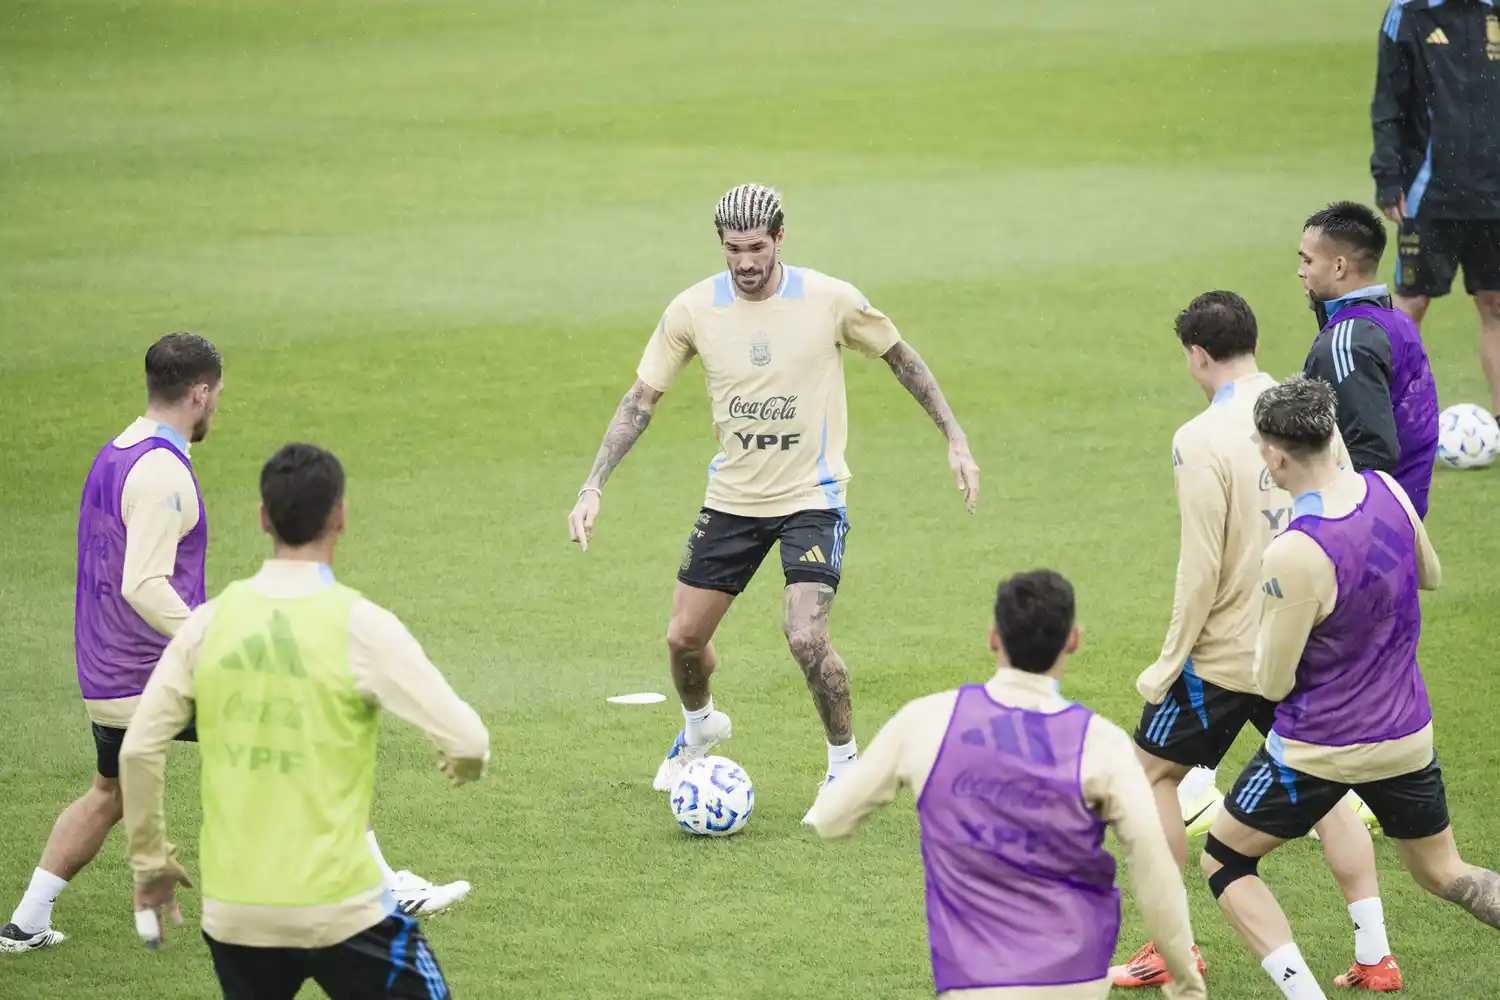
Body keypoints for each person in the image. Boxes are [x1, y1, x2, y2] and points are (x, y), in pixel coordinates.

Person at [0, 336, 460, 956]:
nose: (218, 404)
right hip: (152, 676)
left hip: (105, 676)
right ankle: (382, 892)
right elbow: (142, 583)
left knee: (108, 793)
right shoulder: (163, 472)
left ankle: (26, 922)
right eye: (216, 393)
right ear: (198, 393)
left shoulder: (118, 451)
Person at [566, 183, 980, 807]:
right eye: (734, 249)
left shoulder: (829, 299)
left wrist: (954, 436)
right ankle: (701, 725)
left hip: (812, 499)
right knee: (683, 642)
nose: (746, 262)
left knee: (805, 634)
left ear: (780, 238)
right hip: (732, 500)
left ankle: (846, 767)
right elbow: (640, 400)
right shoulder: (692, 310)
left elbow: (901, 357)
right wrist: (593, 483)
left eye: (757, 247)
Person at [119, 443, 490, 1000]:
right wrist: (463, 763)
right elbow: (468, 740)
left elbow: (138, 750)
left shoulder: (206, 626)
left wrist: (151, 862)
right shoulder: (362, 625)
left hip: (236, 915)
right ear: (340, 516)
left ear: (263, 519)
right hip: (344, 911)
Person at [1113, 293, 1394, 990]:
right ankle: (1374, 955)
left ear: (1197, 355)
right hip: (1307, 641)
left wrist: (1169, 659)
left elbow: (1201, 565)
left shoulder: (1198, 437)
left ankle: (1171, 949)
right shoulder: (1309, 407)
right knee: (1324, 788)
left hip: (1229, 654)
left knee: (1150, 776)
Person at [1201, 375, 1500, 1000]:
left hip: (1320, 746)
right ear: (1331, 434)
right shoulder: (1389, 491)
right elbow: (1431, 575)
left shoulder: (1294, 550)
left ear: (1276, 455)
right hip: (1406, 736)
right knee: (1445, 873)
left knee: (1225, 860)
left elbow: (1274, 681)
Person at [805, 570, 1206, 1000]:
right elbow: (1155, 872)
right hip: (1076, 983)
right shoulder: (1102, 742)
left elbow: (831, 819)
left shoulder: (927, 721)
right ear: (1073, 639)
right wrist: (1184, 977)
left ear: (994, 637)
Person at [1371, 0, 1500, 421]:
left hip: (1495, 194)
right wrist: (1388, 178)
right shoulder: (1408, 14)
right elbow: (1387, 104)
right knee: (1411, 306)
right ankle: (1393, 425)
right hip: (1430, 192)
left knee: (1496, 304)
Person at [1297, 201, 1438, 518]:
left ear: (1339, 266)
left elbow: (1371, 452)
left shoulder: (1348, 342)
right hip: (1402, 514)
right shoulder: (1394, 321)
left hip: (1369, 526)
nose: (1300, 271)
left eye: (1308, 260)